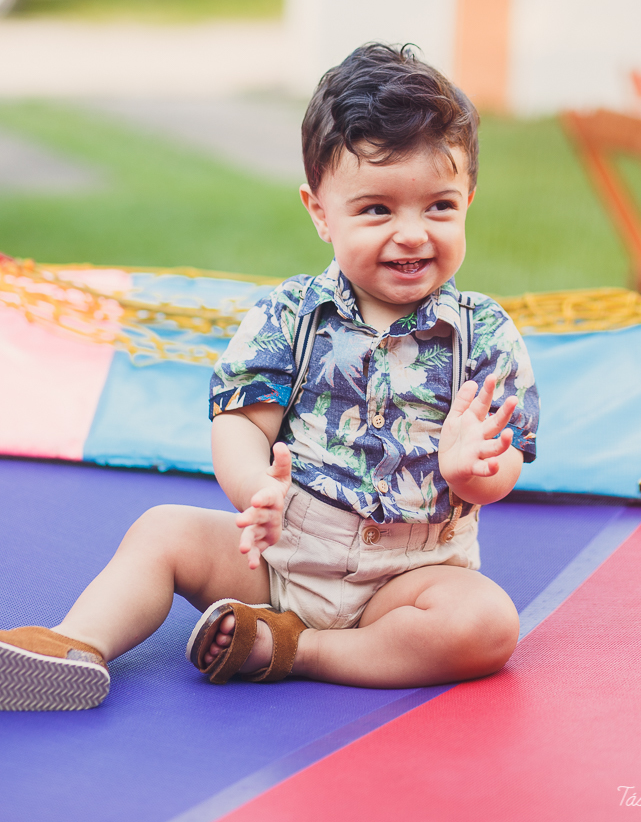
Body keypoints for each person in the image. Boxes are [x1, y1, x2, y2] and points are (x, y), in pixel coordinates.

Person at [0, 43, 539, 711]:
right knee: (163, 529)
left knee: (486, 625)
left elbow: (505, 455)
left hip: (410, 575)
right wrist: (256, 491)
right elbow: (239, 423)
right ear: (320, 211)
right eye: (377, 210)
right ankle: (75, 643)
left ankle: (294, 650)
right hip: (282, 552)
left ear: (469, 201)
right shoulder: (290, 315)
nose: (411, 234)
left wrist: (472, 472)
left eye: (439, 207)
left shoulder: (483, 334)